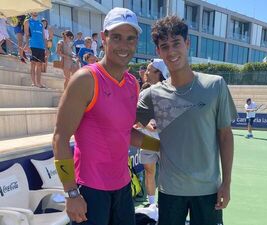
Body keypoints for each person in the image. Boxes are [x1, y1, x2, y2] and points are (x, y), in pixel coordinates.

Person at [135, 15, 237, 225]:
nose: (171, 51)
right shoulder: (152, 94)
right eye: (165, 46)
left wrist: (226, 183)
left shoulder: (215, 85)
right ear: (158, 52)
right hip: (170, 191)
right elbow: (122, 128)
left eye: (176, 43)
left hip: (208, 191)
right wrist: (156, 144)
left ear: (187, 43)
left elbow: (225, 136)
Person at [52, 7, 145, 225]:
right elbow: (60, 138)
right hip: (90, 190)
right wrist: (71, 193)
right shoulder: (86, 79)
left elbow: (125, 133)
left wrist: (161, 144)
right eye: (117, 37)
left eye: (130, 39)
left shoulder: (132, 83)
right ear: (103, 38)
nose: (124, 46)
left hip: (122, 188)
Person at [138, 58, 168, 207]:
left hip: (167, 143)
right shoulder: (143, 92)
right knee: (149, 171)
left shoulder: (171, 92)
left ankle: (167, 205)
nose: (145, 72)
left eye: (149, 70)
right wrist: (145, 124)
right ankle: (151, 205)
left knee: (167, 175)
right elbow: (136, 118)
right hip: (148, 141)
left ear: (159, 73)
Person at [24, 12, 46, 88]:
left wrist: (46, 48)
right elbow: (26, 34)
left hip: (41, 47)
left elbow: (43, 36)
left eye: (37, 11)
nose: (35, 12)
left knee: (39, 65)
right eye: (34, 11)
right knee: (33, 64)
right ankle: (34, 83)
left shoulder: (41, 24)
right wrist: (27, 45)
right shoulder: (27, 21)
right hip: (32, 45)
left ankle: (39, 83)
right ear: (31, 12)